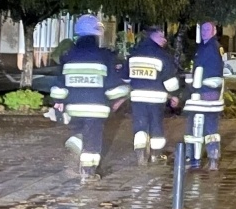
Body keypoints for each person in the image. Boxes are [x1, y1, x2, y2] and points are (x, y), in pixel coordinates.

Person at [48, 14, 129, 182]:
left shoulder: (68, 55)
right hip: (96, 108)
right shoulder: (104, 56)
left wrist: (58, 102)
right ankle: (88, 172)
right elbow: (112, 85)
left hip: (74, 107)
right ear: (97, 33)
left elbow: (59, 84)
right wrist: (121, 96)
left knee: (80, 131)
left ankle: (75, 143)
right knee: (93, 140)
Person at [126, 25, 181, 165]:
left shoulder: (134, 54)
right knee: (156, 125)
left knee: (140, 125)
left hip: (137, 98)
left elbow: (126, 77)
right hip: (156, 99)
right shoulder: (162, 55)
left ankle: (140, 155)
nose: (164, 39)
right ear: (152, 36)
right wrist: (174, 95)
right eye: (161, 36)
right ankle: (156, 155)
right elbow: (170, 81)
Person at [182, 20, 226, 171]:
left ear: (214, 31)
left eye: (207, 29)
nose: (204, 32)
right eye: (203, 29)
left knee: (195, 128)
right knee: (209, 128)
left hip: (203, 95)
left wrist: (192, 86)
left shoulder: (209, 48)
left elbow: (202, 71)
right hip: (210, 95)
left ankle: (194, 159)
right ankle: (212, 158)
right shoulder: (211, 47)